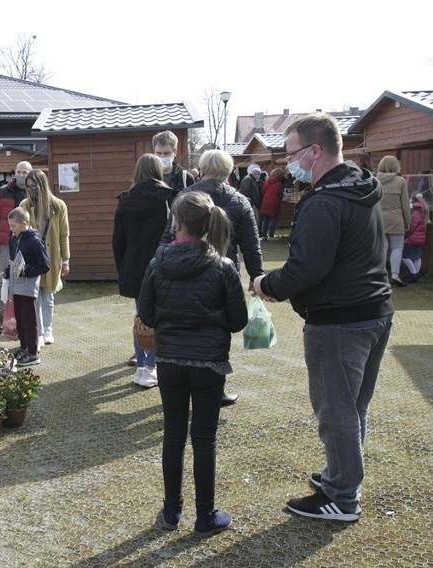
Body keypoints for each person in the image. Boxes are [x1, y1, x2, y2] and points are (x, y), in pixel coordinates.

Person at [254, 113, 393, 522]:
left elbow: (305, 269)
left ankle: (342, 498)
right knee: (353, 407)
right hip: (375, 311)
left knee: (336, 411)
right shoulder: (362, 187)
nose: (288, 160)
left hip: (340, 322)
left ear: (315, 151)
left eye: (292, 151)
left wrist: (266, 285)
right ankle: (340, 476)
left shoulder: (325, 201)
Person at [138, 191, 247, 538]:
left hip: (169, 360)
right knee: (204, 439)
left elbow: (147, 313)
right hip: (209, 365)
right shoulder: (223, 266)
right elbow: (238, 320)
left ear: (178, 223)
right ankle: (205, 516)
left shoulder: (158, 262)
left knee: (173, 435)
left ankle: (171, 511)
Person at [160, 149, 264, 407]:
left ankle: (182, 386)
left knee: (185, 322)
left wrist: (160, 263)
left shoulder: (185, 196)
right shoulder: (239, 201)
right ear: (229, 172)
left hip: (183, 269)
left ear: (203, 169)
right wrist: (257, 277)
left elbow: (168, 234)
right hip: (222, 273)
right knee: (218, 328)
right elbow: (251, 244)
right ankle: (214, 387)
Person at [112, 154, 175, 388]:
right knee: (161, 316)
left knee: (141, 316)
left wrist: (123, 268)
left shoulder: (125, 200)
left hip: (135, 267)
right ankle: (155, 364)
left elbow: (118, 241)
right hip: (163, 265)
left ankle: (142, 366)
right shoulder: (168, 198)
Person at [18, 169, 70, 346]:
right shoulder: (24, 205)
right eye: (28, 186)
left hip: (51, 256)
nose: (32, 190)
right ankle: (38, 331)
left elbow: (64, 234)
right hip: (32, 257)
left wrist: (65, 260)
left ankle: (48, 329)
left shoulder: (58, 205)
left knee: (48, 295)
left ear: (43, 185)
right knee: (34, 297)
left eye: (35, 186)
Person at [3, 207, 50, 367]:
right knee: (20, 319)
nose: (11, 229)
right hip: (16, 287)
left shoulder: (35, 241)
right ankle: (24, 347)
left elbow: (44, 266)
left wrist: (26, 271)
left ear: (24, 223)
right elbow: (13, 260)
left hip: (28, 288)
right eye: (9, 226)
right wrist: (7, 272)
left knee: (30, 321)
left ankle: (33, 352)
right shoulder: (14, 238)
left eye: (13, 226)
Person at [0, 161, 31, 333]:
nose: (21, 175)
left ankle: (21, 318)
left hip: (27, 241)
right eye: (18, 171)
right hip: (6, 241)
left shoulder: (33, 192)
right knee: (3, 279)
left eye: (24, 172)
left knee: (24, 277)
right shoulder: (3, 191)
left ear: (30, 173)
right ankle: (1, 317)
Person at [376, 156, 411, 287]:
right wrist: (408, 221)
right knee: (397, 247)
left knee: (382, 248)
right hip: (396, 219)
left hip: (379, 219)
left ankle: (381, 275)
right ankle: (395, 275)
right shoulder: (401, 181)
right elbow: (405, 204)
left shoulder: (375, 180)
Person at [153, 130, 195, 194]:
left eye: (166, 153)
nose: (162, 157)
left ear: (175, 152)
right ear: (154, 152)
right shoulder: (147, 178)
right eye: (158, 153)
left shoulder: (186, 178)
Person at [402, 193, 429, 283]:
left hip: (412, 238)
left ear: (414, 200)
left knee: (404, 256)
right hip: (420, 238)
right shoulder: (424, 210)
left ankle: (414, 274)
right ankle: (416, 273)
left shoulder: (416, 211)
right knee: (417, 257)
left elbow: (412, 227)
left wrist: (406, 234)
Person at [259, 168, 285, 240]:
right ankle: (271, 235)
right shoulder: (279, 184)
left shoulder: (267, 181)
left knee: (266, 220)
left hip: (265, 202)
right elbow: (280, 195)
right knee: (273, 219)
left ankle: (264, 235)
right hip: (274, 203)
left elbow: (263, 191)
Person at [240, 164, 262, 229]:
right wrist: (252, 203)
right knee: (253, 219)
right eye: (259, 174)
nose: (259, 176)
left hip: (253, 204)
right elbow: (246, 192)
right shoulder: (248, 179)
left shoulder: (251, 179)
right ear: (254, 173)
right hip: (250, 204)